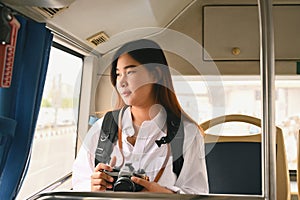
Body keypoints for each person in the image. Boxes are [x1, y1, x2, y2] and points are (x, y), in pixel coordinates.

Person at [72, 39, 209, 194]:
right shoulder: (102, 128)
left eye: (130, 72)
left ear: (156, 74)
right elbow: (79, 183)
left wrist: (165, 195)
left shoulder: (187, 133)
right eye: (118, 74)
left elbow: (197, 194)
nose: (121, 82)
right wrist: (93, 186)